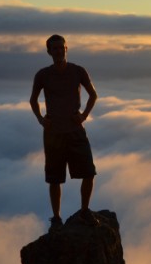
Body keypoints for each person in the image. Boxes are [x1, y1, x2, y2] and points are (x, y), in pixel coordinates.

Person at [29, 34, 99, 229]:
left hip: (75, 130)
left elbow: (93, 95)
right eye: (55, 48)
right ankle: (56, 219)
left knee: (88, 172)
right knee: (54, 178)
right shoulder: (43, 75)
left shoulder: (78, 71)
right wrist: (41, 119)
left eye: (62, 48)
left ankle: (85, 211)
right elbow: (33, 100)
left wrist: (84, 115)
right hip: (54, 134)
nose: (59, 51)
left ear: (66, 49)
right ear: (49, 52)